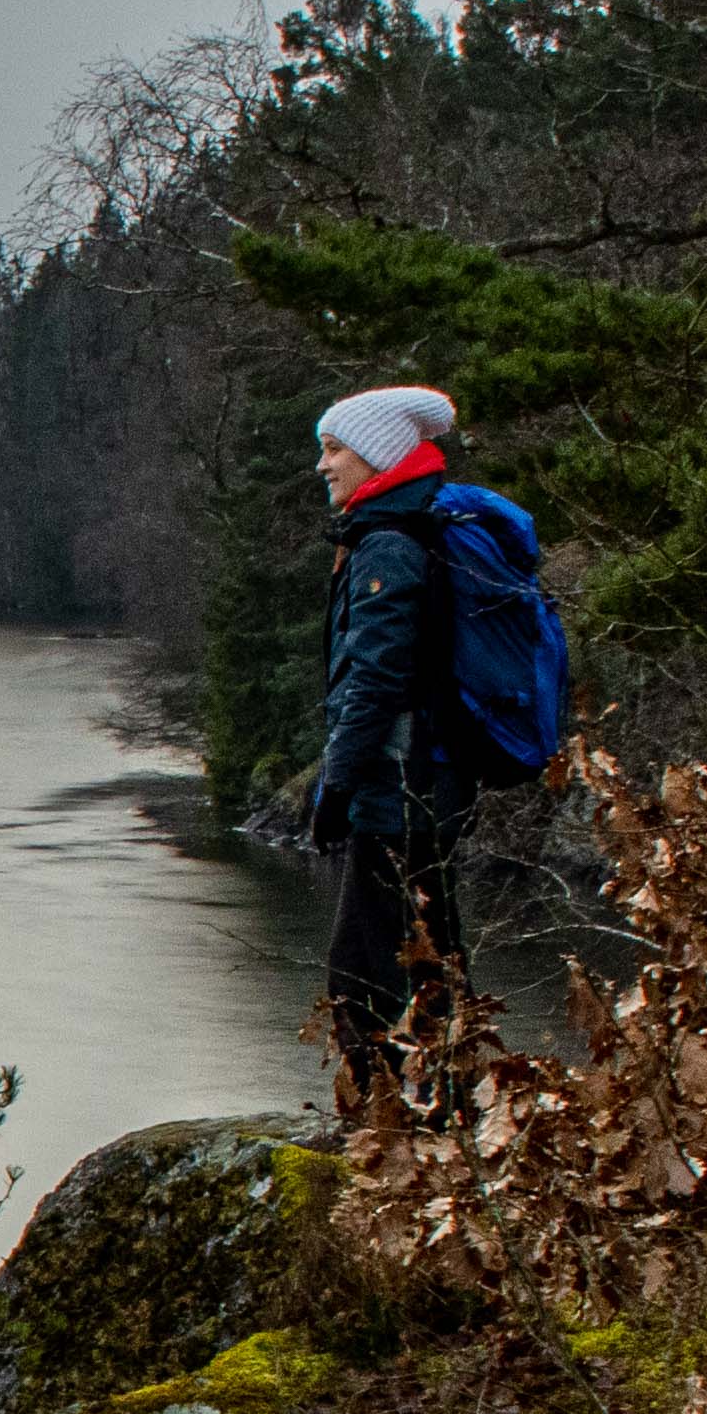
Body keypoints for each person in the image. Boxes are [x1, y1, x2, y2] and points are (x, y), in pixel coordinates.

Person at [303, 381, 478, 1090]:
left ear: (375, 457)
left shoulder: (387, 547)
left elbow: (374, 680)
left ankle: (385, 1136)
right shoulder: (399, 532)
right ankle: (452, 1114)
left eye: (334, 448)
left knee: (359, 973)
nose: (322, 465)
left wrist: (334, 785)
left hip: (400, 787)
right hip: (427, 779)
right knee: (431, 956)